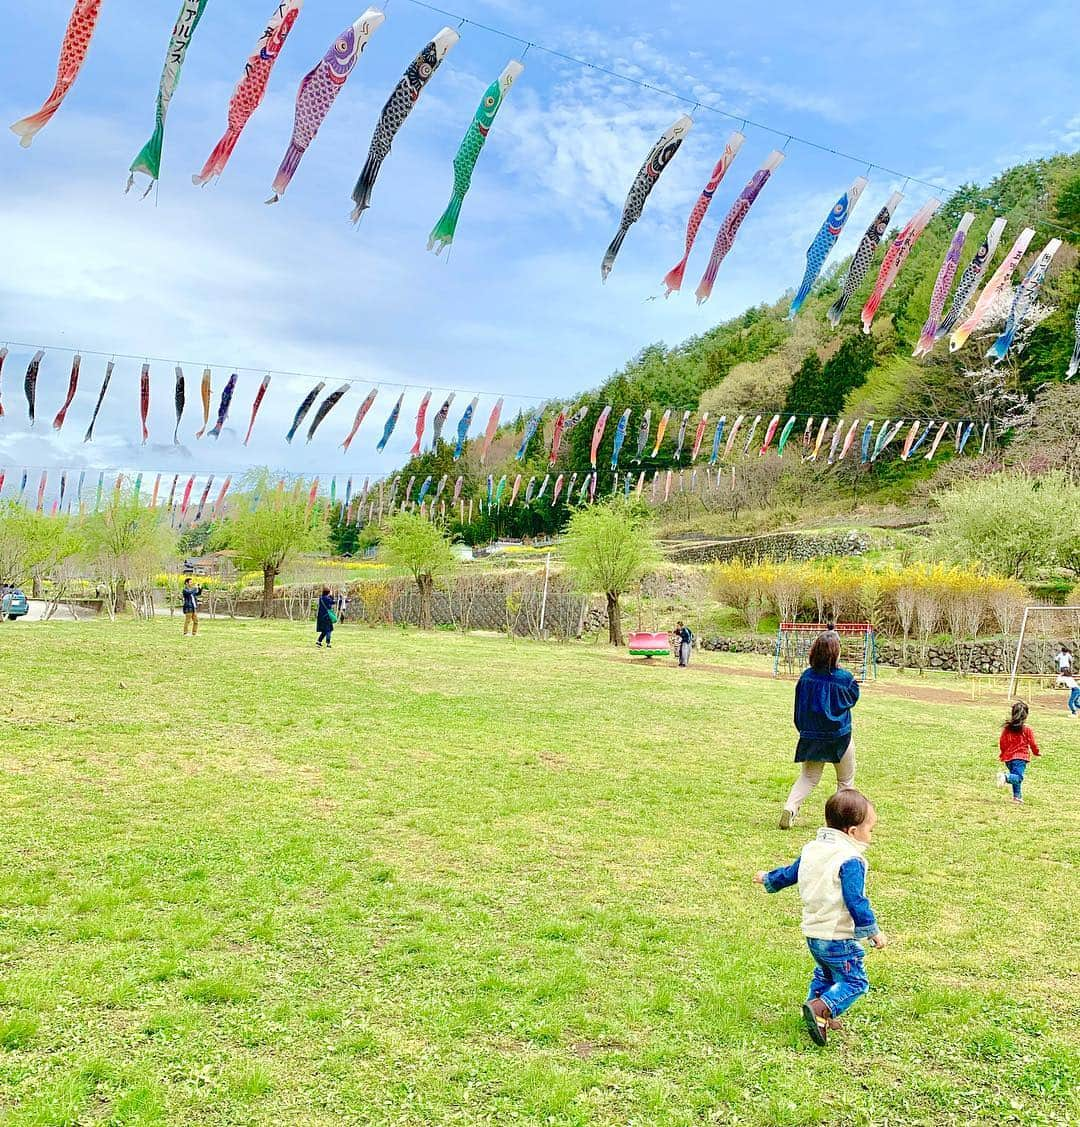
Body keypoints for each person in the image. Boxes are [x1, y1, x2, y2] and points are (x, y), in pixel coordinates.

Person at [754, 789, 886, 1046]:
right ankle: (821, 1008)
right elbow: (855, 900)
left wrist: (768, 878)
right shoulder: (850, 859)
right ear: (852, 831)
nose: (871, 837)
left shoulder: (814, 849)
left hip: (813, 933)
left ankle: (815, 1012)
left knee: (826, 975)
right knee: (855, 981)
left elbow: (791, 873)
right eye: (869, 830)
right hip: (837, 935)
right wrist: (872, 931)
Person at [780, 632, 860, 829]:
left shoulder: (806, 677)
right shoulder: (845, 679)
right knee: (845, 781)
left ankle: (791, 807)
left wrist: (804, 730)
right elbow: (853, 698)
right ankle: (842, 822)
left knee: (808, 778)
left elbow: (799, 706)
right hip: (839, 736)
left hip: (812, 737)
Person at [996, 701, 1041, 803]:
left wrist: (1003, 753)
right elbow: (1032, 743)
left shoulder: (1007, 729)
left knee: (1015, 776)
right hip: (1020, 758)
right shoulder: (1027, 730)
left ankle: (1017, 797)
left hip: (1008, 758)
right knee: (1018, 777)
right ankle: (1005, 777)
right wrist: (1036, 752)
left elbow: (1002, 742)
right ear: (1026, 715)